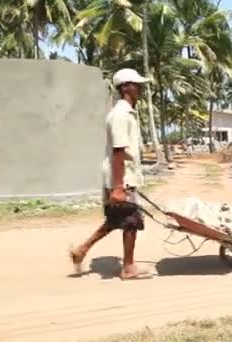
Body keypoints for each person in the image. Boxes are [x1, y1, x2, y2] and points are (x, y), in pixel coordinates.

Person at [70, 68, 152, 280]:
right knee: (131, 221)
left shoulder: (127, 112)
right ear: (125, 87)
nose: (140, 88)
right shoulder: (120, 115)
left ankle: (81, 249)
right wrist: (117, 187)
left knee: (117, 219)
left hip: (122, 174)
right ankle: (128, 268)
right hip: (121, 176)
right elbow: (118, 151)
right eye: (137, 84)